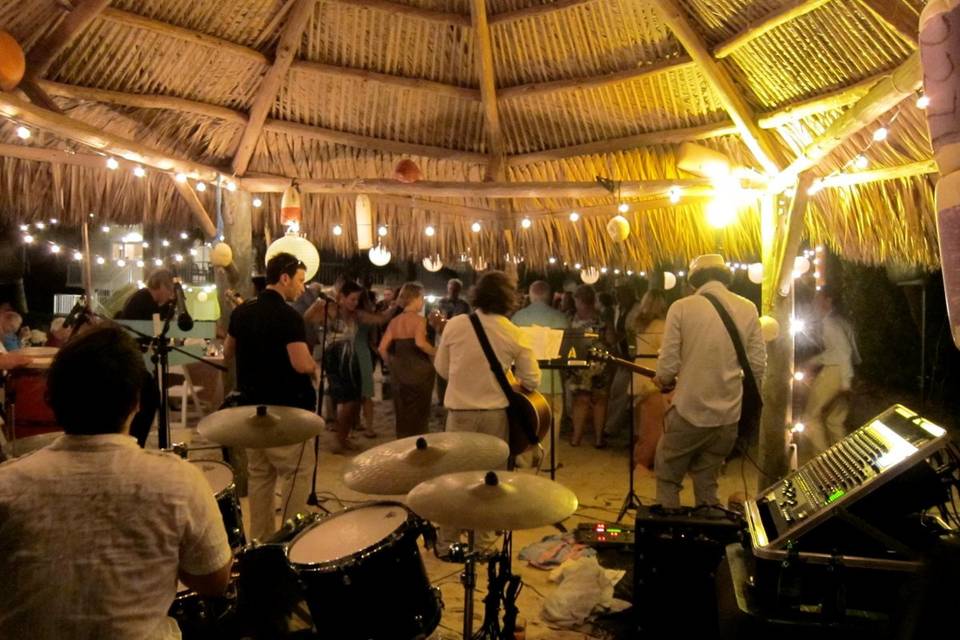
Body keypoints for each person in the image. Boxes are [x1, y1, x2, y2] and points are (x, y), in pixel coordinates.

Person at [0, 325, 232, 638]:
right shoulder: (179, 481)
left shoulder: (8, 485)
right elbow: (213, 580)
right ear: (137, 401)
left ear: (51, 400)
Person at [434, 271, 540, 555]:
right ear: (509, 298)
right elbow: (532, 381)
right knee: (490, 480)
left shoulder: (456, 325)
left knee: (455, 479)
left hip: (458, 413)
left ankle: (447, 543)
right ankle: (482, 544)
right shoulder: (514, 332)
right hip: (494, 415)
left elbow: (443, 369)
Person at [653, 254, 765, 509]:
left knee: (668, 477)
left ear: (694, 280)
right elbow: (758, 364)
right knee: (708, 481)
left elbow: (668, 367)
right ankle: (709, 538)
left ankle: (671, 535)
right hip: (728, 416)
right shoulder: (748, 308)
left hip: (689, 411)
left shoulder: (681, 307)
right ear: (726, 277)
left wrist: (663, 380)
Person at [225, 253, 317, 540]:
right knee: (296, 473)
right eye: (300, 280)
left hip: (253, 410)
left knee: (261, 476)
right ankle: (290, 540)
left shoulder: (242, 312)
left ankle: (261, 541)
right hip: (287, 411)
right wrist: (314, 365)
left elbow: (227, 352)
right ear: (284, 277)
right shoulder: (289, 317)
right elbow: (300, 363)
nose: (302, 288)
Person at [306, 281, 393, 453]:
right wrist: (317, 304)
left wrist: (395, 307)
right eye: (352, 299)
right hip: (337, 357)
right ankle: (339, 440)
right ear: (341, 297)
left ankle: (342, 438)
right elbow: (308, 318)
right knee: (348, 400)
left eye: (357, 299)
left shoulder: (357, 315)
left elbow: (380, 319)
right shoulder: (331, 310)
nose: (354, 303)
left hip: (350, 357)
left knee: (352, 400)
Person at [115, 269, 178, 448]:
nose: (171, 294)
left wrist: (168, 309)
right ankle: (136, 444)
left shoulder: (152, 303)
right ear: (161, 285)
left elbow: (159, 334)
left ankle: (138, 443)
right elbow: (153, 331)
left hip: (140, 362)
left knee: (150, 402)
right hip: (133, 362)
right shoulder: (142, 298)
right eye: (170, 289)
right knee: (146, 404)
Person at [511, 280, 569, 469]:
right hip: (552, 379)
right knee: (553, 420)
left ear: (531, 295)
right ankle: (548, 461)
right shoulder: (560, 318)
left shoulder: (518, 318)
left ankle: (526, 458)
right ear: (549, 295)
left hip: (525, 378)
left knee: (527, 419)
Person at [801, 285, 861, 460]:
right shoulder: (841, 320)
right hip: (846, 371)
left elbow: (844, 352)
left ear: (828, 300)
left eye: (817, 298)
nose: (814, 302)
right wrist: (813, 361)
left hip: (836, 372)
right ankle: (843, 462)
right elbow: (847, 352)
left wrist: (845, 382)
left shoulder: (829, 322)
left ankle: (823, 462)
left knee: (810, 417)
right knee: (835, 421)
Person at [379, 282, 436, 438]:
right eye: (422, 298)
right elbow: (420, 343)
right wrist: (436, 351)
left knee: (402, 411)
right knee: (419, 413)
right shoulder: (419, 320)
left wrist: (392, 364)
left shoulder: (394, 321)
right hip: (419, 371)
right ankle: (418, 442)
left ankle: (402, 441)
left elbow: (382, 348)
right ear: (416, 298)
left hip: (399, 372)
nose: (423, 301)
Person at [566, 285, 612, 448]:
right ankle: (599, 439)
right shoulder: (602, 319)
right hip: (601, 361)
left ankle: (576, 438)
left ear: (578, 300)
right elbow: (611, 339)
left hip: (580, 361)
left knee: (580, 400)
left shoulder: (572, 319)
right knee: (600, 400)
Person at [632, 290, 669, 470]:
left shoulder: (641, 325)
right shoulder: (661, 326)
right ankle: (643, 463)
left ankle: (644, 459)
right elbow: (666, 351)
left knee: (645, 423)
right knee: (653, 424)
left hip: (639, 374)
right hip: (653, 376)